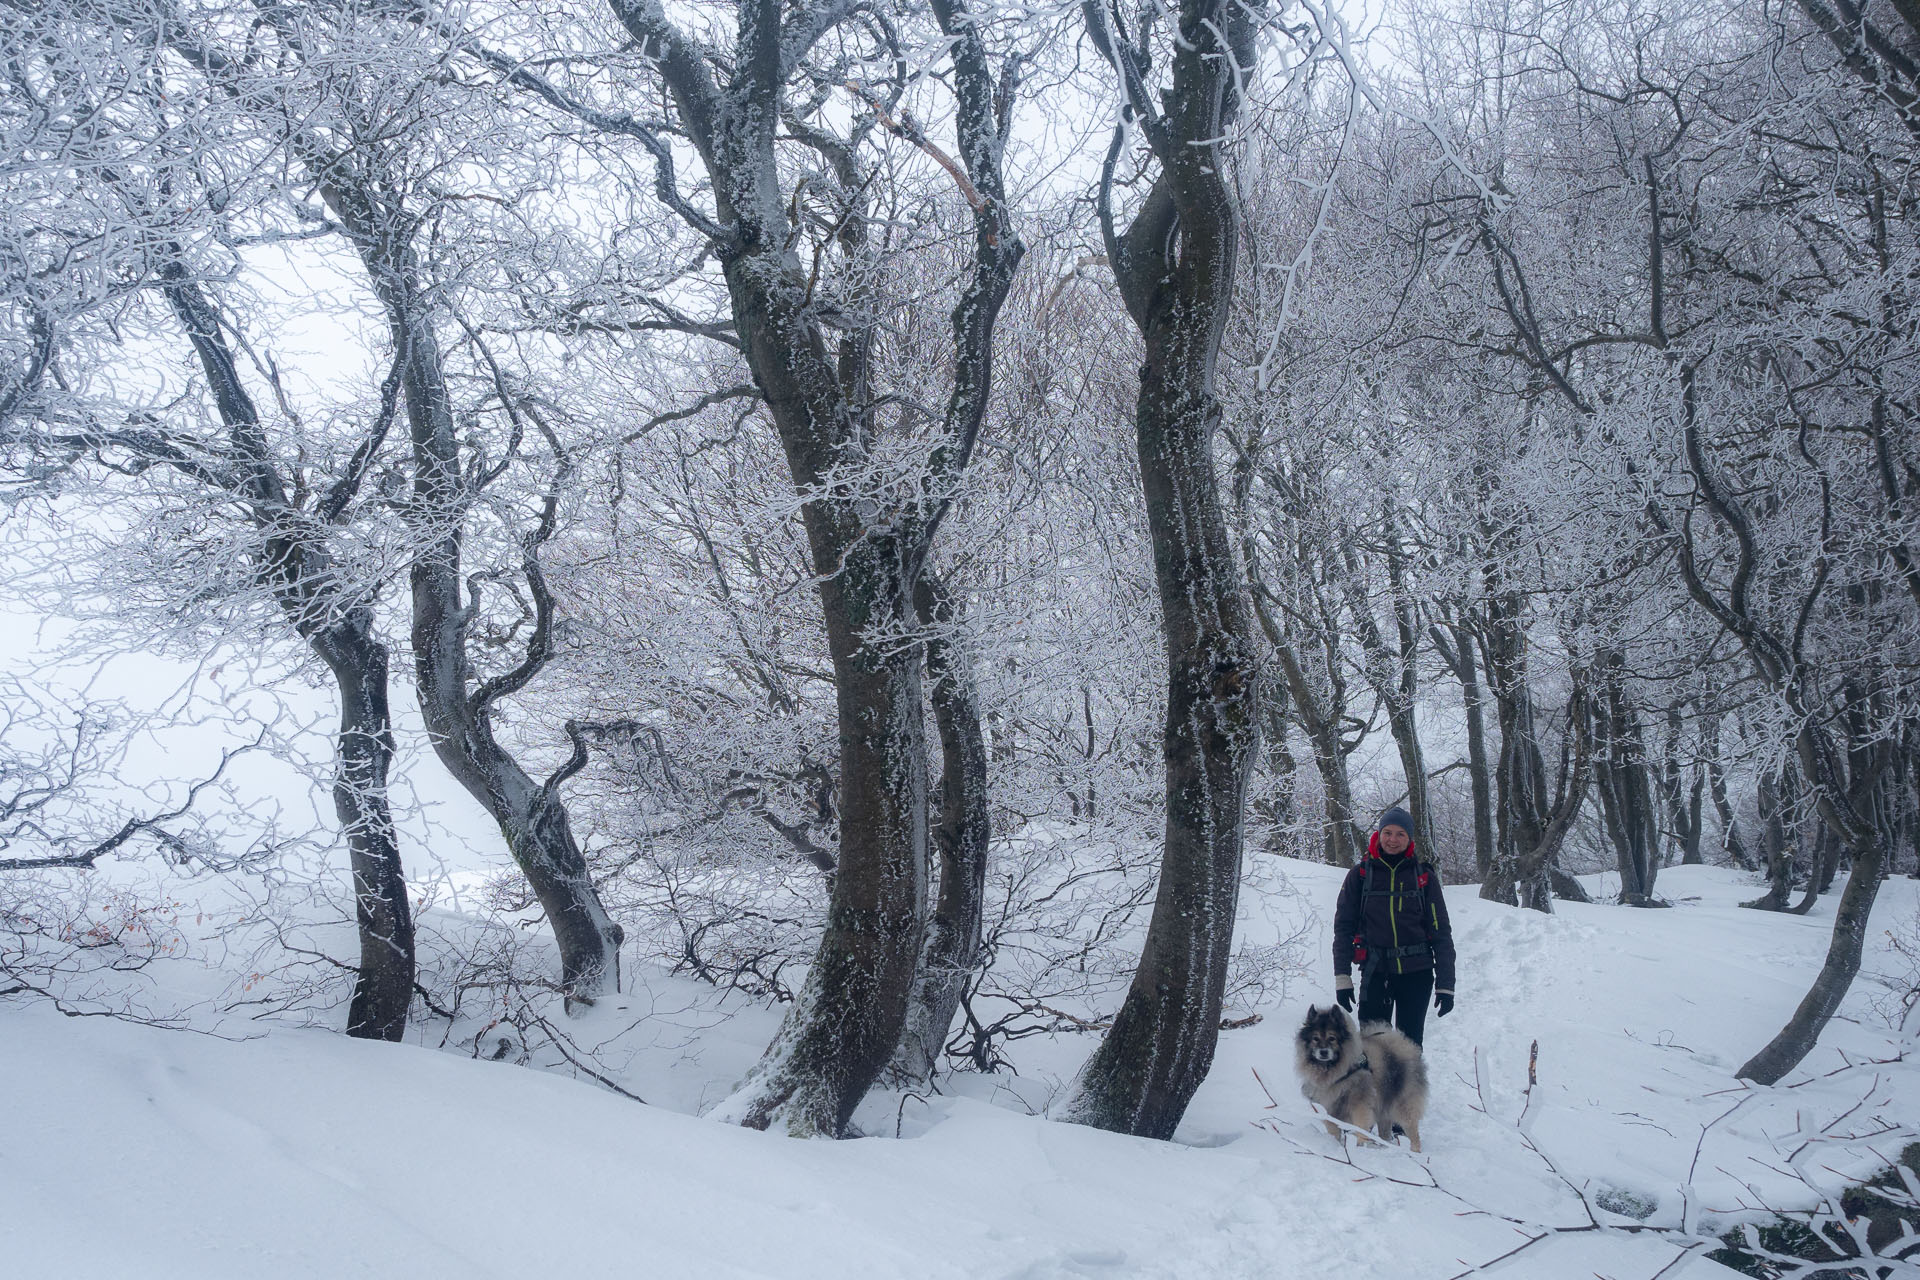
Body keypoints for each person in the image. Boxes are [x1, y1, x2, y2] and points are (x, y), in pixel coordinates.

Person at [1332, 806, 1455, 1048]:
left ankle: (1409, 1088)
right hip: (1375, 973)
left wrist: (1446, 985)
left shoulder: (1423, 877)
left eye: (1400, 834)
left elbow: (1441, 932)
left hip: (1417, 974)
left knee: (1409, 1051)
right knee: (1372, 1049)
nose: (1393, 840)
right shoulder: (1361, 875)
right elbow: (1343, 928)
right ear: (1378, 834)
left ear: (1409, 839)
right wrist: (1342, 977)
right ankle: (1374, 1088)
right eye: (1387, 832)